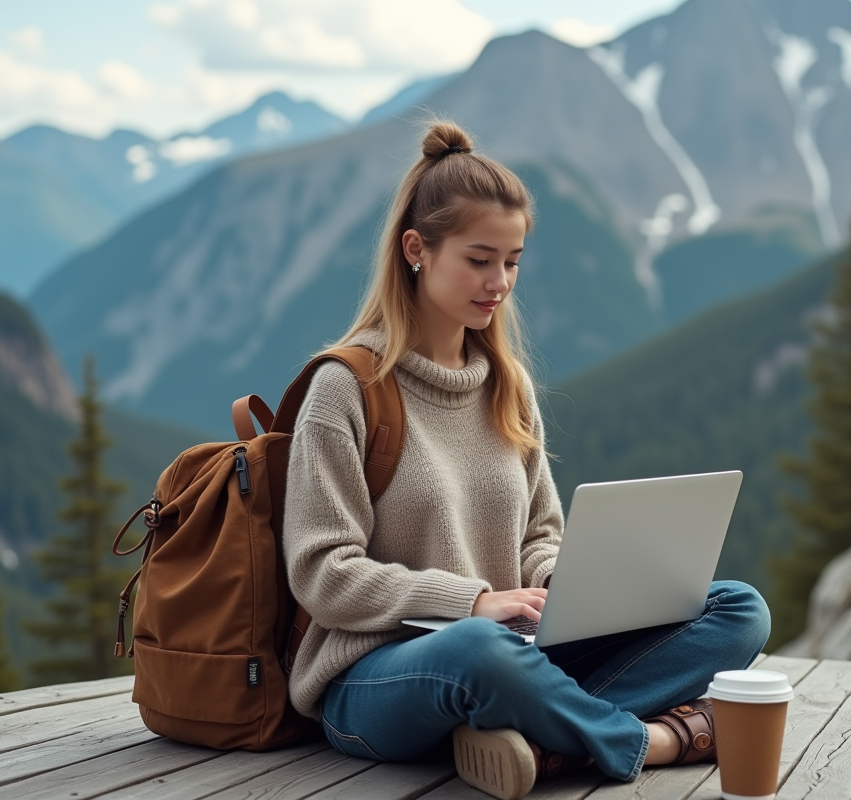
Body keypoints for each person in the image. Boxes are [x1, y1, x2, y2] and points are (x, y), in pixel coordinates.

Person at [282, 120, 772, 800]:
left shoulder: (505, 385)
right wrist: (473, 601)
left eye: (512, 262)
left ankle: (539, 737)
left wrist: (566, 590)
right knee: (477, 652)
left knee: (738, 608)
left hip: (516, 650)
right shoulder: (347, 387)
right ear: (416, 250)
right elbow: (322, 574)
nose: (499, 283)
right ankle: (645, 741)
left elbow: (542, 534)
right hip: (379, 675)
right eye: (479, 260)